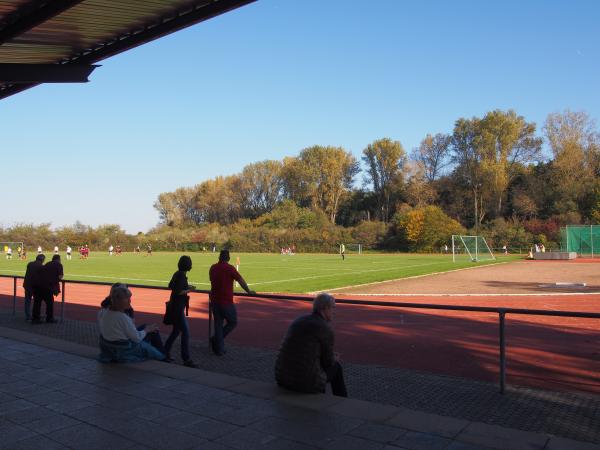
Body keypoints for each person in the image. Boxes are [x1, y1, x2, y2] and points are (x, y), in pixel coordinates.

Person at [275, 293, 347, 397]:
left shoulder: (298, 320)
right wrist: (334, 358)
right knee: (336, 367)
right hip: (303, 383)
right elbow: (328, 362)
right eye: (333, 308)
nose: (334, 312)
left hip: (282, 378)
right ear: (325, 308)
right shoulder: (325, 328)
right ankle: (342, 401)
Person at [98, 284, 165, 363]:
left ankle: (163, 355)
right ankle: (163, 358)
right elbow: (136, 338)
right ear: (118, 301)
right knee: (152, 336)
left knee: (147, 328)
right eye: (127, 298)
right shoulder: (122, 317)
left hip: (109, 346)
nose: (130, 301)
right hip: (122, 350)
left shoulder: (103, 312)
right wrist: (147, 330)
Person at [209, 250, 255, 356]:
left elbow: (212, 282)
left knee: (218, 325)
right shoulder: (230, 268)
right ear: (228, 258)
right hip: (226, 302)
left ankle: (218, 347)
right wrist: (248, 291)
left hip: (215, 301)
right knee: (233, 322)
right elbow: (240, 280)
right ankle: (217, 341)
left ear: (219, 257)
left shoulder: (213, 268)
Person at [164, 256, 198, 367]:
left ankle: (164, 352)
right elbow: (178, 291)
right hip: (178, 308)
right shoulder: (182, 276)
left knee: (176, 332)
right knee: (186, 333)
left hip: (175, 306)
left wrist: (187, 286)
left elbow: (171, 286)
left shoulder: (177, 273)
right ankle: (186, 359)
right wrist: (189, 289)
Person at [32, 255, 63, 324]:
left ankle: (35, 319)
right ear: (58, 259)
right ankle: (49, 318)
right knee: (49, 303)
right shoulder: (59, 265)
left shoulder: (48, 263)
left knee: (37, 303)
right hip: (47, 286)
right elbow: (60, 276)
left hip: (38, 285)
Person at [23, 254, 45, 321]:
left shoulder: (30, 264)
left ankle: (28, 316)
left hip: (27, 284)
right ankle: (35, 316)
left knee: (27, 301)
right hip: (35, 286)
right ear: (42, 260)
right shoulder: (41, 266)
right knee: (37, 301)